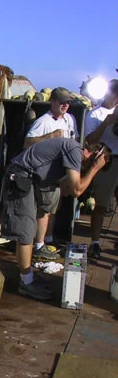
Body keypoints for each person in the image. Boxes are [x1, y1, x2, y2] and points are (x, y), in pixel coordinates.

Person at [1, 137, 109, 301]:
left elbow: (66, 189)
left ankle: (28, 275)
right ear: (94, 154)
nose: (87, 168)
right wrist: (94, 168)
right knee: (26, 231)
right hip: (21, 177)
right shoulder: (74, 150)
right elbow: (76, 190)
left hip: (30, 178)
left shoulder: (72, 151)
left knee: (31, 226)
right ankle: (26, 282)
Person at [23, 87, 79, 261]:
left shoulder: (70, 119)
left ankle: (48, 239)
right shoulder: (43, 121)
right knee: (44, 209)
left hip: (62, 171)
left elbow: (74, 140)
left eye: (68, 102)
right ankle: (39, 245)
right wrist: (51, 136)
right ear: (52, 101)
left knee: (55, 206)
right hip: (46, 172)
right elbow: (27, 144)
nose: (65, 105)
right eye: (62, 102)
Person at [84, 79, 118, 259]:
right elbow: (90, 140)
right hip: (106, 161)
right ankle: (95, 243)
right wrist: (105, 123)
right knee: (101, 205)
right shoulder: (95, 114)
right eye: (115, 94)